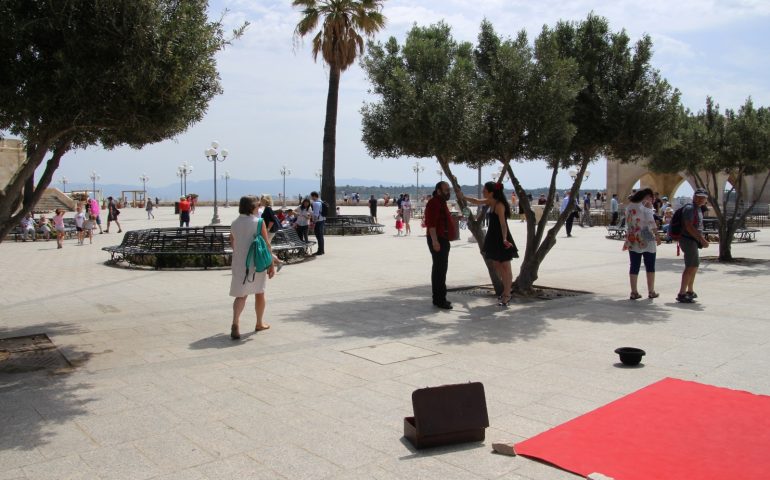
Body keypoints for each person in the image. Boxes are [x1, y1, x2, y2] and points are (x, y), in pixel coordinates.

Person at [459, 182, 519, 306]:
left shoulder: (499, 205)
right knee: (497, 265)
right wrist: (462, 196)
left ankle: (507, 294)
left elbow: (503, 224)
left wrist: (504, 239)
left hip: (501, 238)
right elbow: (476, 201)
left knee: (505, 267)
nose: (483, 191)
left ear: (491, 192)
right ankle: (506, 291)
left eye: (485, 190)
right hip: (493, 237)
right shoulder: (491, 202)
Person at [229, 195, 276, 340]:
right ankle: (259, 322)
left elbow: (232, 242)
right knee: (259, 292)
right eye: (257, 205)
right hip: (256, 263)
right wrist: (271, 263)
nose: (259, 207)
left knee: (241, 295)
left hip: (239, 262)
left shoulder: (235, 222)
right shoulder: (258, 222)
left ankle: (235, 322)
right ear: (251, 207)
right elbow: (266, 243)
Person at [424, 182, 457, 309]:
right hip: (438, 240)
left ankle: (439, 298)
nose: (448, 192)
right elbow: (431, 224)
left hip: (442, 239)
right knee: (439, 270)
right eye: (446, 190)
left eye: (449, 190)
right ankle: (439, 299)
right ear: (438, 191)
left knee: (441, 269)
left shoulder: (441, 202)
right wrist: (435, 241)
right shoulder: (434, 203)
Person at [623, 188, 660, 300]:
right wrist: (657, 235)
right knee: (650, 265)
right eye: (652, 197)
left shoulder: (630, 206)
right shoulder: (646, 205)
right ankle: (651, 291)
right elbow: (651, 221)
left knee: (634, 265)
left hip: (632, 235)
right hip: (645, 234)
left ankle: (634, 292)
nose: (653, 200)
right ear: (647, 196)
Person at [677, 188, 710, 303]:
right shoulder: (690, 208)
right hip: (688, 240)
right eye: (698, 196)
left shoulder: (699, 208)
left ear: (706, 199)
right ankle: (682, 293)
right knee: (690, 266)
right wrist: (702, 240)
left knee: (694, 266)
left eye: (703, 197)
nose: (700, 199)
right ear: (694, 197)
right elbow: (689, 226)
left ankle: (690, 290)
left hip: (692, 240)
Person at [260, 194, 284, 271]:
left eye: (262, 199)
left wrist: (267, 229)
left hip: (270, 231)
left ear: (265, 200)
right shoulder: (268, 209)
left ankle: (276, 262)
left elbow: (272, 221)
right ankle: (276, 262)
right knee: (266, 248)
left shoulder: (268, 209)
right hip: (270, 231)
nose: (261, 201)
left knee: (266, 248)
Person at [310, 191, 325, 256]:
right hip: (323, 220)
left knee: (318, 236)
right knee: (321, 236)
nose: (311, 198)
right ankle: (322, 250)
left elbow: (316, 214)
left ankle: (320, 251)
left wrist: (313, 222)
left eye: (312, 196)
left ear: (314, 196)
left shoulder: (316, 203)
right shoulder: (321, 202)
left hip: (318, 221)